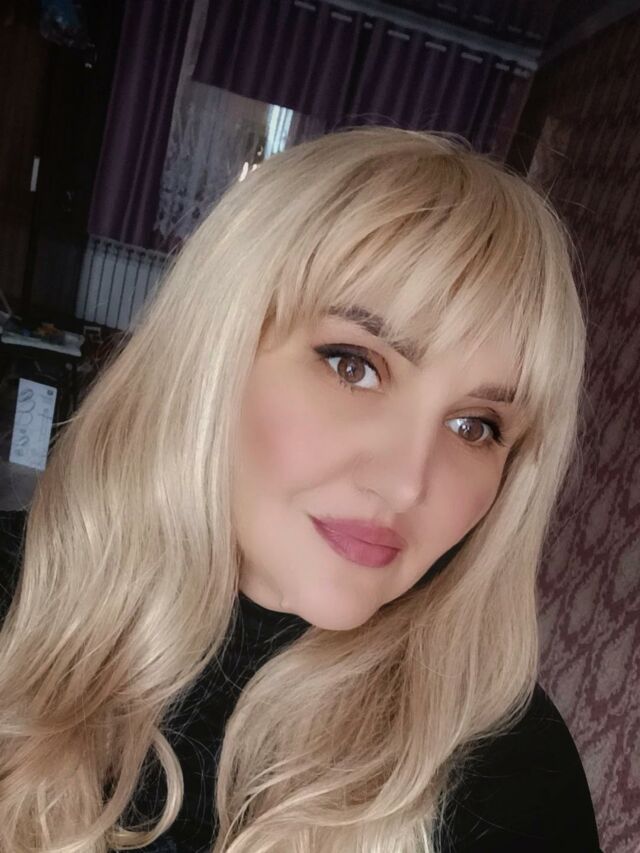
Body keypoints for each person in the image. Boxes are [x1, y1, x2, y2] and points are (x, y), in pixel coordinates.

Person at [0, 126, 602, 852]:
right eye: (355, 366)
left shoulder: (512, 776)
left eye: (475, 426)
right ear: (214, 352)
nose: (405, 482)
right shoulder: (15, 599)